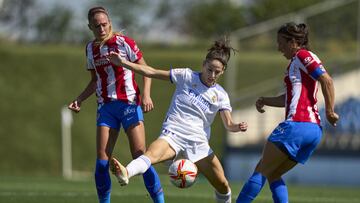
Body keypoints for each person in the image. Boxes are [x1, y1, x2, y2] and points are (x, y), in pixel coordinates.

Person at [108, 37, 248, 203]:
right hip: (173, 133)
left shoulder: (221, 96)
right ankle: (126, 173)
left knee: (223, 186)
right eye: (210, 69)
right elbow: (151, 71)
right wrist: (123, 62)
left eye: (217, 72)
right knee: (151, 155)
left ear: (223, 70)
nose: (212, 75)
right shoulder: (186, 76)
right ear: (204, 64)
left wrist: (237, 126)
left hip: (198, 142)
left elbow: (229, 124)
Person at [67, 6, 164, 203]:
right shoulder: (90, 49)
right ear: (90, 27)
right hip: (106, 108)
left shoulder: (124, 42)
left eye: (104, 24)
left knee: (140, 156)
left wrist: (146, 95)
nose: (101, 29)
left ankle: (159, 201)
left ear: (109, 23)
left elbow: (147, 70)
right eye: (96, 26)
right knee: (102, 160)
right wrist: (79, 99)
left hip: (129, 104)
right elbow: (95, 81)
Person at [236, 22, 339, 203]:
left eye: (281, 42)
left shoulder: (302, 55)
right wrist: (266, 100)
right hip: (313, 131)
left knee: (261, 169)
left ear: (293, 42)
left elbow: (327, 81)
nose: (279, 48)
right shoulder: (297, 62)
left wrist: (330, 111)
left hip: (297, 125)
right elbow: (290, 98)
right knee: (274, 173)